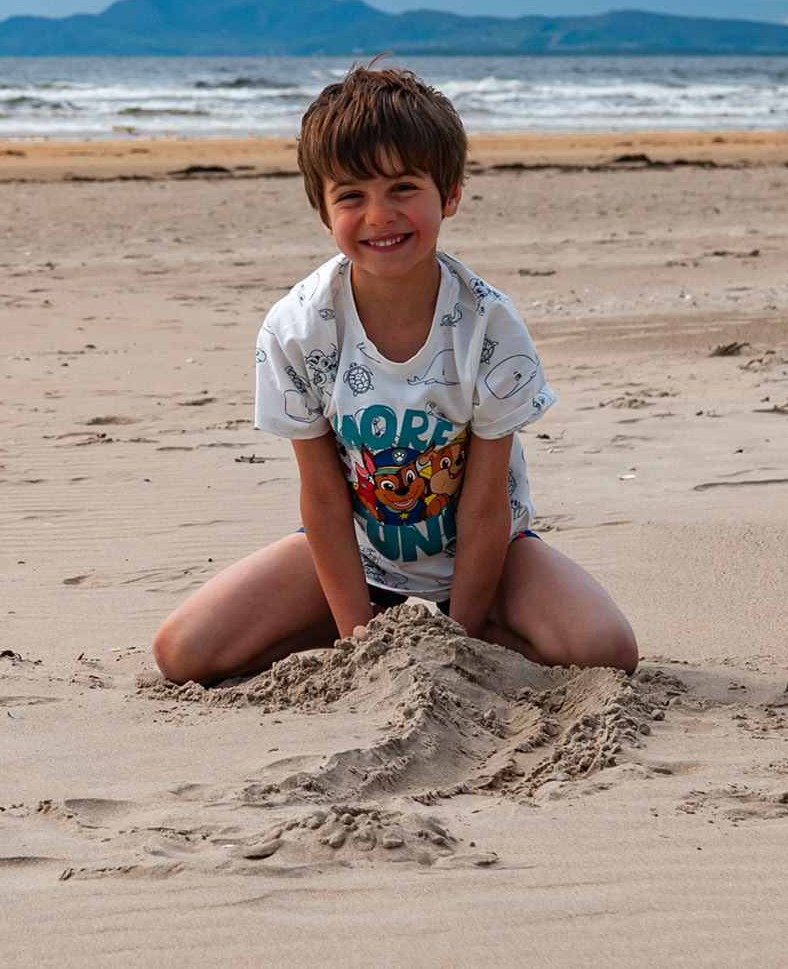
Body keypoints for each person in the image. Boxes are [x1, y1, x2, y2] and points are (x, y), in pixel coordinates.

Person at [152, 63, 638, 685]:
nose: (380, 215)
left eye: (404, 187)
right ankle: (347, 618)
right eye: (351, 195)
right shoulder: (297, 328)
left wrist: (460, 643)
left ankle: (488, 621)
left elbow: (487, 505)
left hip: (490, 556)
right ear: (324, 213)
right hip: (359, 556)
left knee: (606, 647)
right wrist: (363, 644)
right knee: (183, 653)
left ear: (451, 193)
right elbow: (325, 499)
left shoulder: (489, 326)